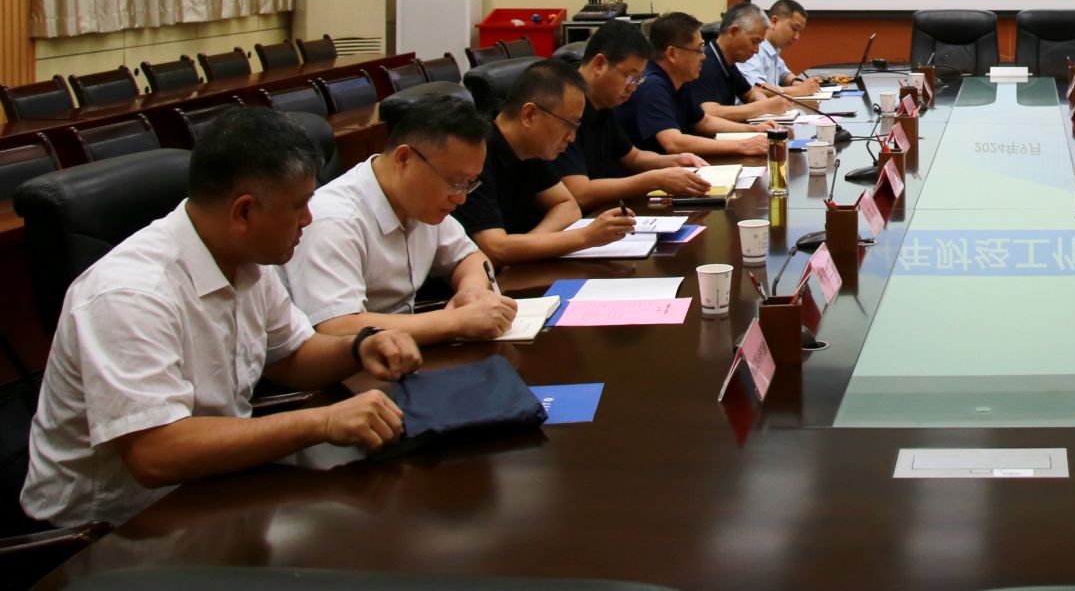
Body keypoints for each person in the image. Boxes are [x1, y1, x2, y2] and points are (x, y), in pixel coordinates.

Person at [21, 108, 423, 529]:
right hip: (105, 532)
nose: (309, 219)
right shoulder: (129, 294)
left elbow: (291, 356)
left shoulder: (246, 256)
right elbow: (155, 454)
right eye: (300, 206)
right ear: (243, 212)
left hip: (211, 488)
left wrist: (360, 346)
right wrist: (321, 422)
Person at [282, 93, 519, 345]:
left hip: (405, 349)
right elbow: (336, 327)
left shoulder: (419, 201)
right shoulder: (334, 220)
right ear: (404, 158)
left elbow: (470, 257)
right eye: (455, 182)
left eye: (469, 184)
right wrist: (456, 321)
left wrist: (472, 291)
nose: (461, 198)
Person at [453, 59, 634, 264]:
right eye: (569, 124)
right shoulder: (476, 153)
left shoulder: (529, 146)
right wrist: (585, 237)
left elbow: (567, 206)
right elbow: (495, 248)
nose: (572, 137)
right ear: (529, 115)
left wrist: (528, 245)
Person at [552, 18, 713, 208]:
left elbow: (633, 157)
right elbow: (579, 193)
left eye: (638, 79)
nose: (633, 87)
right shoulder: (563, 107)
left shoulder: (603, 103)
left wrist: (676, 161)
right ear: (599, 64)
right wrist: (654, 180)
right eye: (630, 77)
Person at [616, 12, 768, 159]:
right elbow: (673, 143)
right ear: (672, 53)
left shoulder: (680, 81)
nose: (703, 56)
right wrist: (741, 146)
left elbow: (704, 122)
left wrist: (753, 130)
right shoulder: (651, 86)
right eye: (698, 49)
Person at [689, 2, 787, 126]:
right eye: (754, 41)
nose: (756, 50)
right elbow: (709, 113)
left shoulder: (729, 63)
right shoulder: (705, 63)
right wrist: (764, 107)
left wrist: (765, 105)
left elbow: (750, 94)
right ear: (733, 31)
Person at [740, 0, 818, 97]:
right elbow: (755, 90)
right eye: (794, 29)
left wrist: (797, 82)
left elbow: (785, 75)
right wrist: (798, 90)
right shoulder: (752, 50)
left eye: (799, 32)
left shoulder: (773, 49)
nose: (796, 37)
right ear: (774, 21)